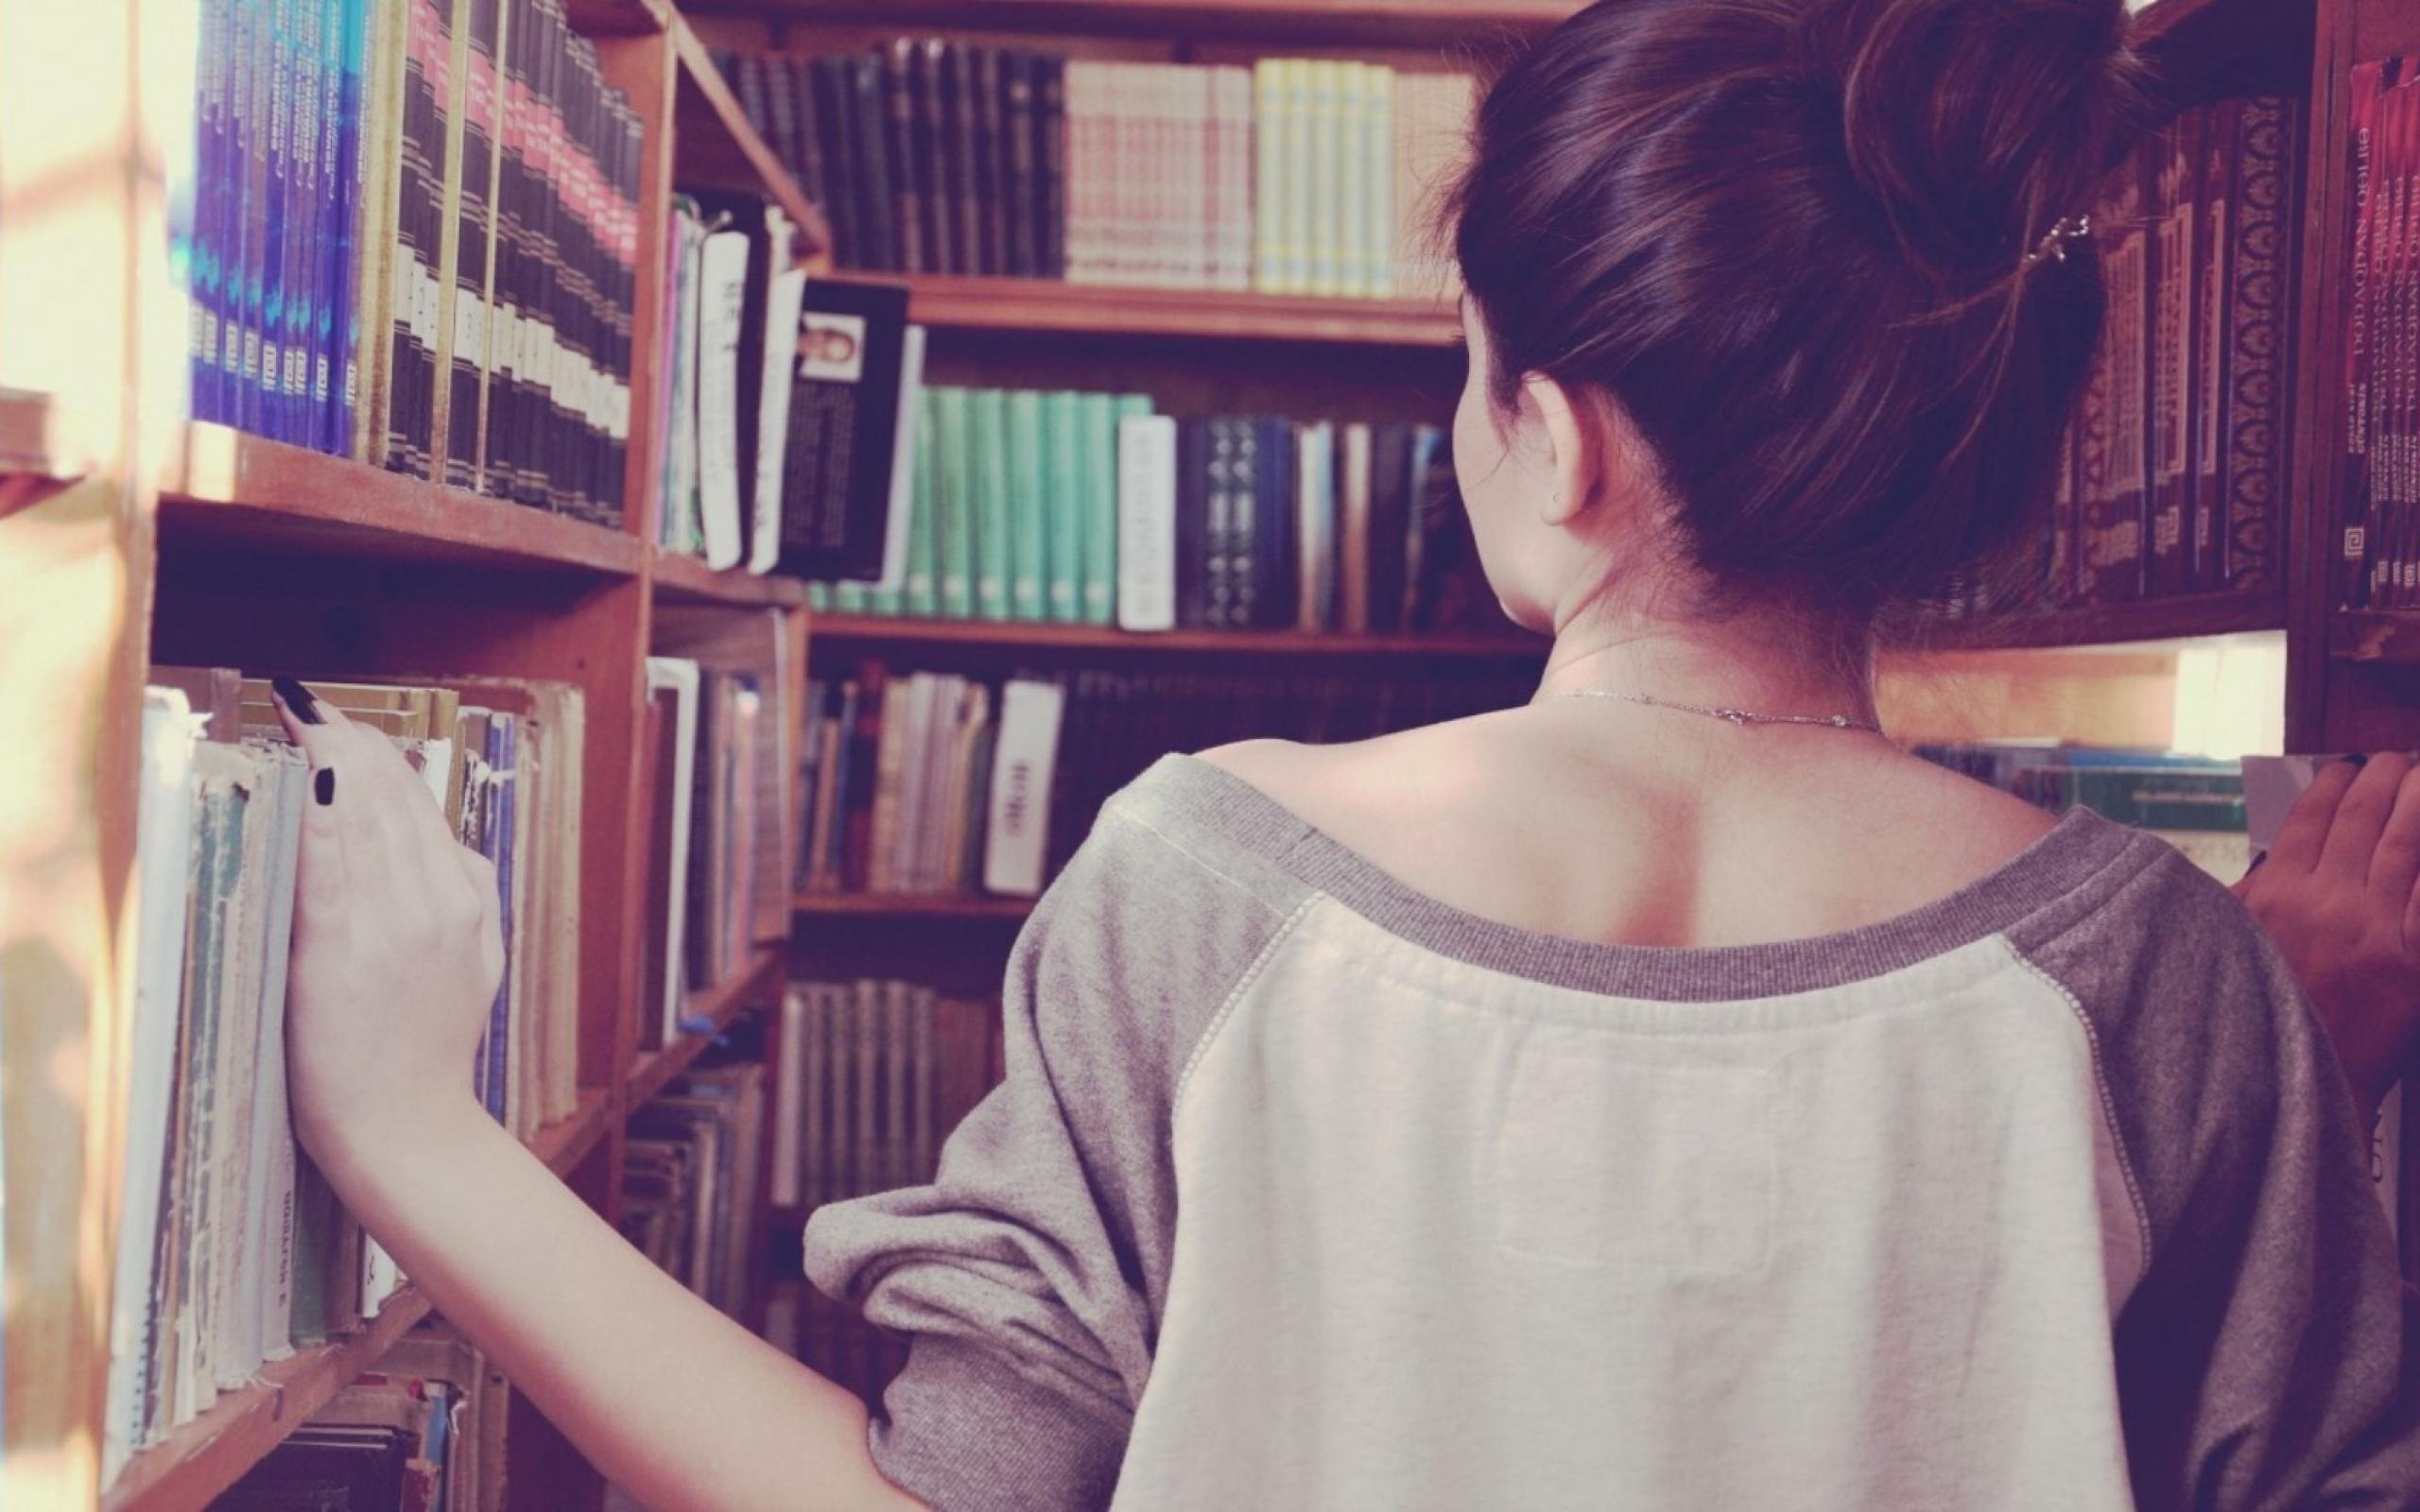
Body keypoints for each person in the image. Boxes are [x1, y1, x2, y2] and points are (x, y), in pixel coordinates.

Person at [270, 0, 2420, 1506]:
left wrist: (407, 1126)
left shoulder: (1208, 883)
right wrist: (2280, 1078)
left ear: (1553, 438)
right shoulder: (2161, 973)